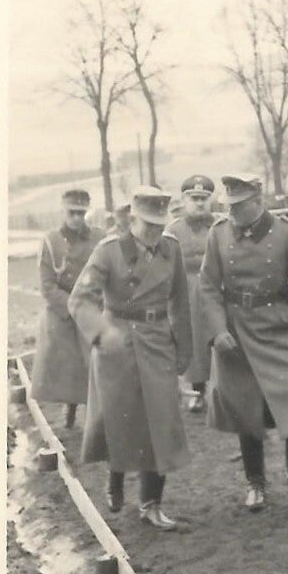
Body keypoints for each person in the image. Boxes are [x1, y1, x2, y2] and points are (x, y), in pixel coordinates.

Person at [68, 186, 193, 530]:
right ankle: (116, 475)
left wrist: (184, 351)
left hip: (157, 342)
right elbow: (80, 299)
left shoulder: (171, 250)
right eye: (148, 224)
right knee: (120, 419)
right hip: (116, 343)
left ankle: (152, 504)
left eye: (159, 224)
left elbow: (180, 302)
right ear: (133, 219)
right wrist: (100, 332)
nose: (154, 231)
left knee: (162, 421)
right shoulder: (109, 251)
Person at [199, 172, 288, 510]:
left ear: (258, 201)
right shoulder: (218, 234)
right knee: (245, 404)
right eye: (229, 205)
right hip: (236, 332)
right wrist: (218, 330)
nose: (233, 212)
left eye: (239, 205)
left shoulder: (287, 234)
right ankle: (255, 482)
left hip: (278, 326)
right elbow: (208, 286)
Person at [30, 189, 105, 429]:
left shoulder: (99, 238)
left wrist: (93, 305)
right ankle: (70, 409)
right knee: (68, 368)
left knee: (98, 364)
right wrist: (72, 306)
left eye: (81, 213)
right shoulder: (51, 241)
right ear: (63, 211)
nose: (76, 218)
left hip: (92, 308)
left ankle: (99, 416)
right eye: (72, 213)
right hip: (61, 313)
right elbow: (47, 286)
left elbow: (109, 274)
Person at [166, 175, 217, 413]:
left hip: (215, 288)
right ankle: (197, 391)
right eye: (194, 198)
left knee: (219, 336)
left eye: (204, 199)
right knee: (193, 341)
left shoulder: (219, 227)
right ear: (184, 201)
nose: (199, 204)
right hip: (185, 292)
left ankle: (221, 391)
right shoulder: (173, 231)